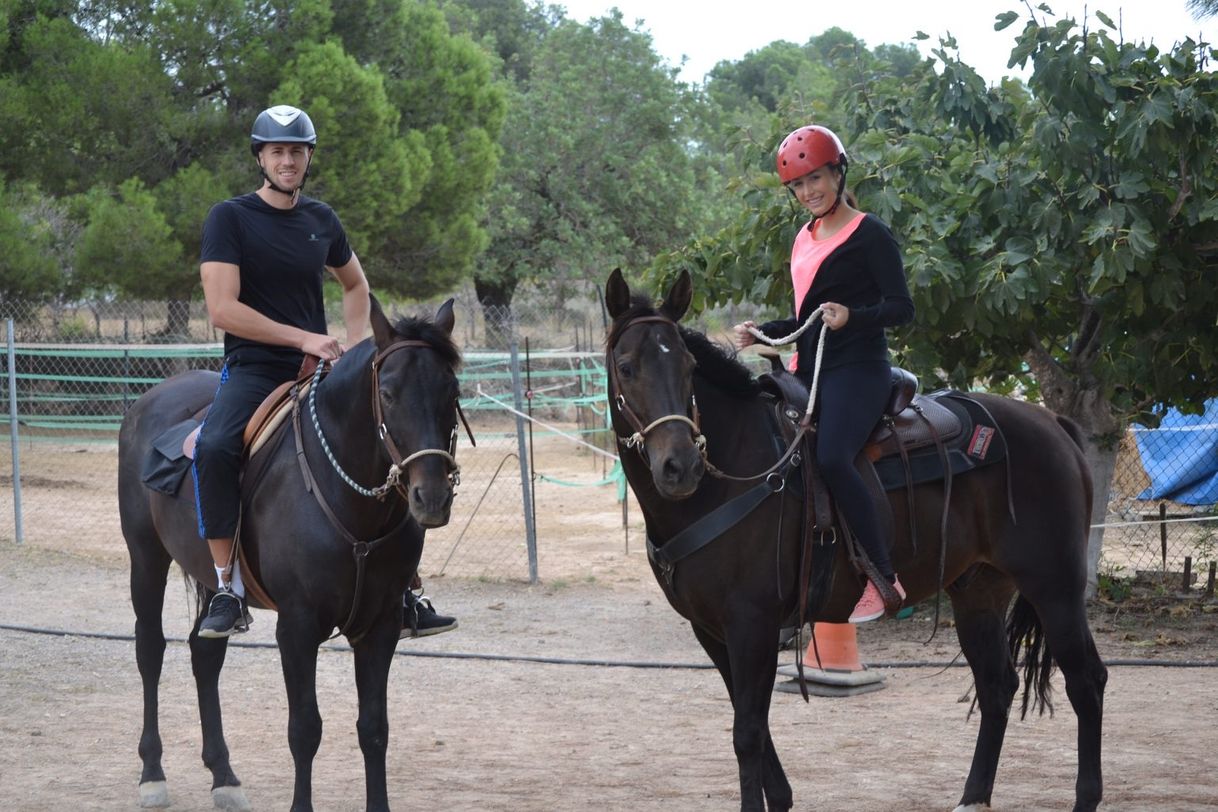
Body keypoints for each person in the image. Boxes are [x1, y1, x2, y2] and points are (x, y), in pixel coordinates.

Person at [194, 104, 455, 640]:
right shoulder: (230, 218)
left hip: (321, 370)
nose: (287, 161)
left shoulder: (321, 220)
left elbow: (355, 285)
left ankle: (406, 588)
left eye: (296, 152)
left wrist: (358, 351)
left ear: (309, 158)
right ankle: (225, 587)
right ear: (261, 158)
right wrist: (304, 337)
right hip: (255, 368)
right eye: (277, 151)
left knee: (388, 444)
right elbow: (222, 309)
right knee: (216, 445)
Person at [734, 124, 915, 623]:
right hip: (810, 369)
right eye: (798, 185)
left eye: (816, 178)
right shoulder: (803, 238)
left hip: (859, 370)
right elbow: (807, 318)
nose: (808, 191)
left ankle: (883, 577)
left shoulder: (870, 232)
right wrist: (763, 332)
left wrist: (854, 317)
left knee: (834, 457)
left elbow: (902, 307)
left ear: (838, 172)